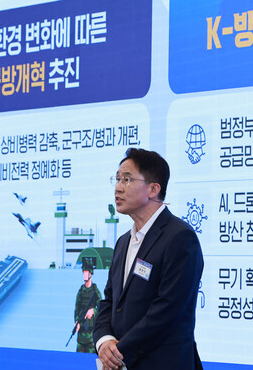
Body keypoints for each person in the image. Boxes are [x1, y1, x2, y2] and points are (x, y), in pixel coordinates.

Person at [93, 148, 204, 370]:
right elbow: (109, 301)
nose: (118, 187)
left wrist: (118, 355)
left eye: (127, 179)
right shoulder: (123, 242)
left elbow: (167, 311)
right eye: (117, 179)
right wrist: (104, 341)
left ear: (153, 189)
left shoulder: (180, 238)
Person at [74, 259, 102, 353]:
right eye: (84, 272)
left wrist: (93, 310)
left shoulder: (95, 290)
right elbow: (77, 309)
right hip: (81, 336)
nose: (84, 275)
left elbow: (102, 307)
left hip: (91, 337)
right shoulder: (81, 290)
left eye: (86, 272)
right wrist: (77, 321)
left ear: (91, 274)